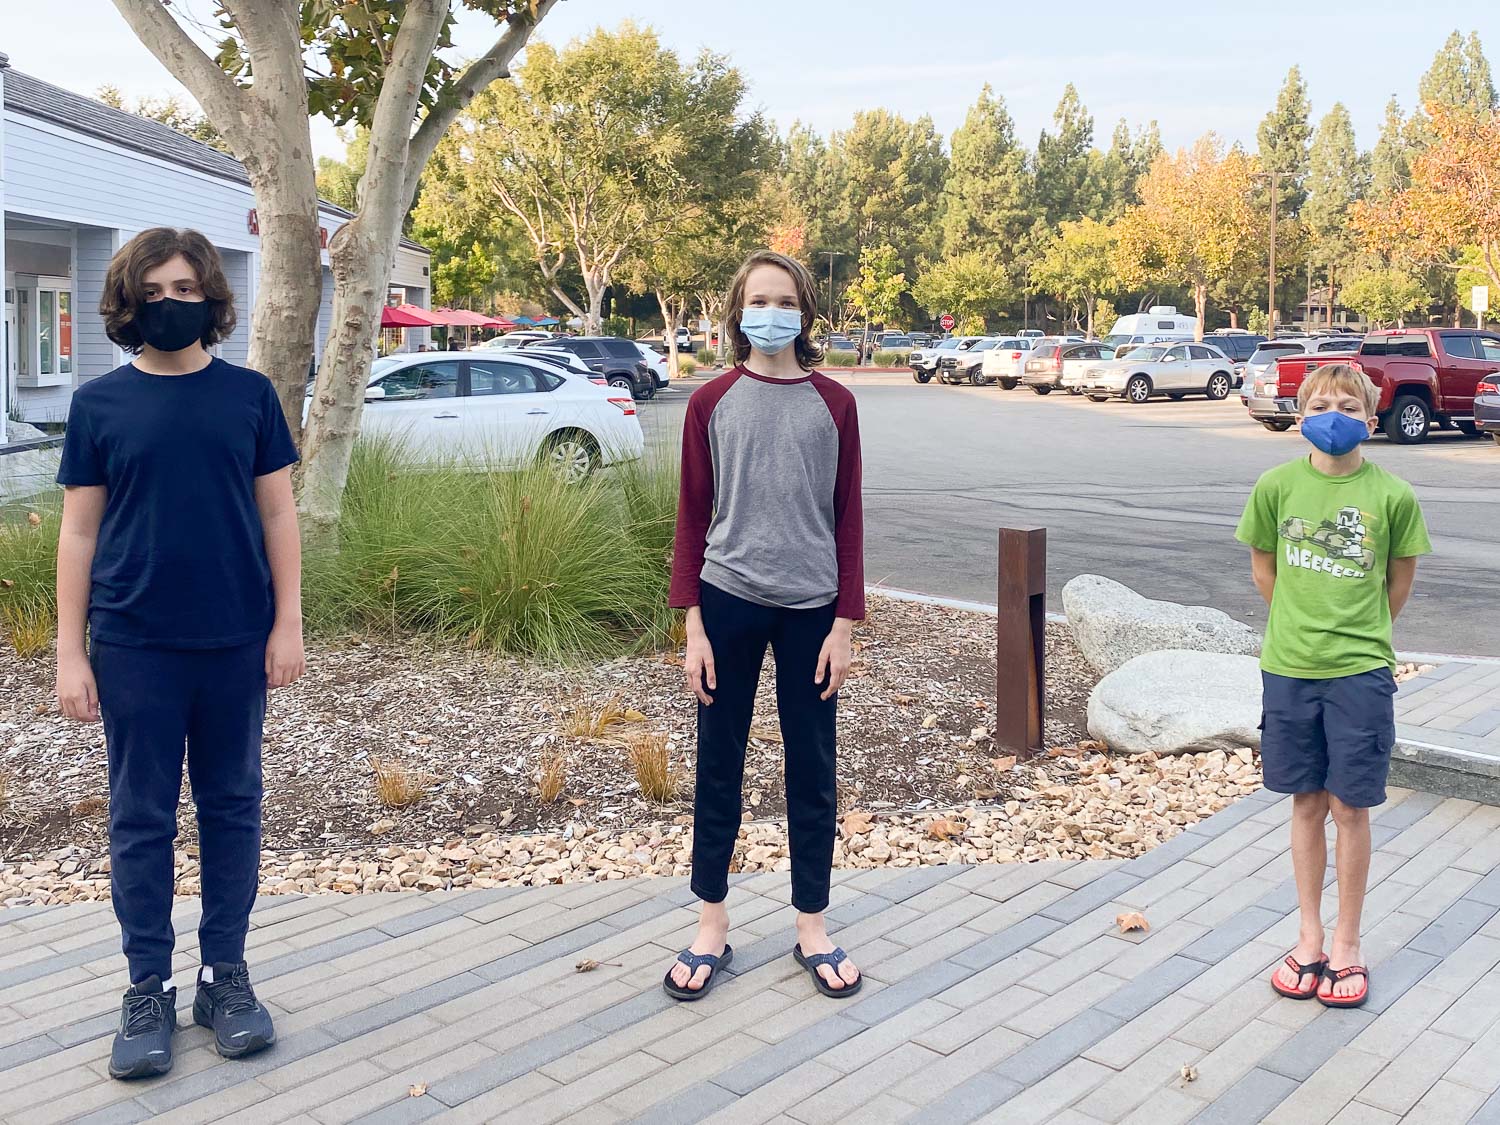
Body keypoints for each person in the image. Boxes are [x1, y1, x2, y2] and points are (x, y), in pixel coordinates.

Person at [55, 228, 305, 1078]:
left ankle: (223, 976)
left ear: (212, 298)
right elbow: (78, 532)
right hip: (133, 643)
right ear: (130, 303)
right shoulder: (99, 405)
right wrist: (70, 652)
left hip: (235, 640)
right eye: (154, 292)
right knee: (141, 818)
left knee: (232, 806)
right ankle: (147, 987)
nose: (171, 304)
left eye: (186, 289)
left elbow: (278, 513)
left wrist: (288, 622)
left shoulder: (250, 396)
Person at [665, 249, 864, 1002]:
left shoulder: (835, 404)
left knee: (813, 767)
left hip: (812, 609)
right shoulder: (710, 402)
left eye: (785, 301)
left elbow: (849, 519)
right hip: (729, 600)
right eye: (759, 300)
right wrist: (693, 626)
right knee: (719, 763)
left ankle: (812, 924)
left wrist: (845, 623)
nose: (772, 312)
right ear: (738, 310)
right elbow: (692, 516)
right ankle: (711, 923)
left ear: (805, 313)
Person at [1236, 364, 1430, 1010]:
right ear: (1300, 417)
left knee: (1351, 808)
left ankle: (1347, 943)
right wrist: (1299, 625)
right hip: (1290, 667)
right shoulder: (1276, 486)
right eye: (1320, 405)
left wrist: (1360, 634)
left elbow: (1398, 581)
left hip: (1360, 674)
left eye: (1348, 406)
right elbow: (1264, 569)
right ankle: (1309, 938)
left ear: (1371, 420)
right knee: (1305, 802)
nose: (1333, 415)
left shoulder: (1393, 495)